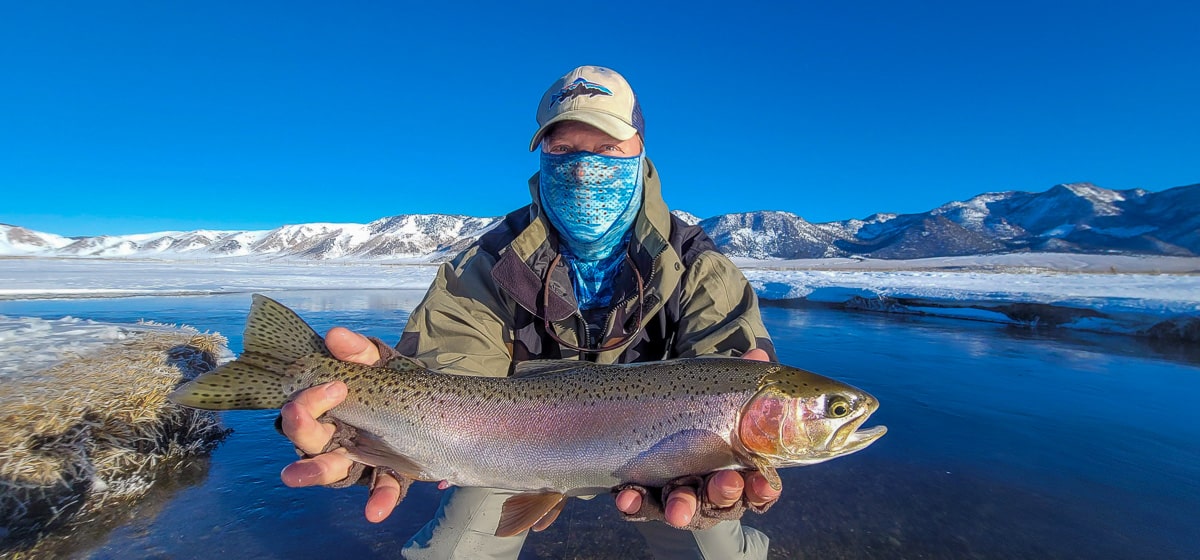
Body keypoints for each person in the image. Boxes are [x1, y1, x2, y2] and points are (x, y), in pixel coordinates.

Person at [278, 65, 782, 559]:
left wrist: (719, 468)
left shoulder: (701, 268)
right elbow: (448, 376)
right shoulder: (489, 264)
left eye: (608, 149)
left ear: (641, 152)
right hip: (511, 448)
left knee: (714, 540)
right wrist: (370, 430)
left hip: (668, 467)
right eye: (562, 150)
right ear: (540, 157)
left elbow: (729, 369)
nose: (584, 168)